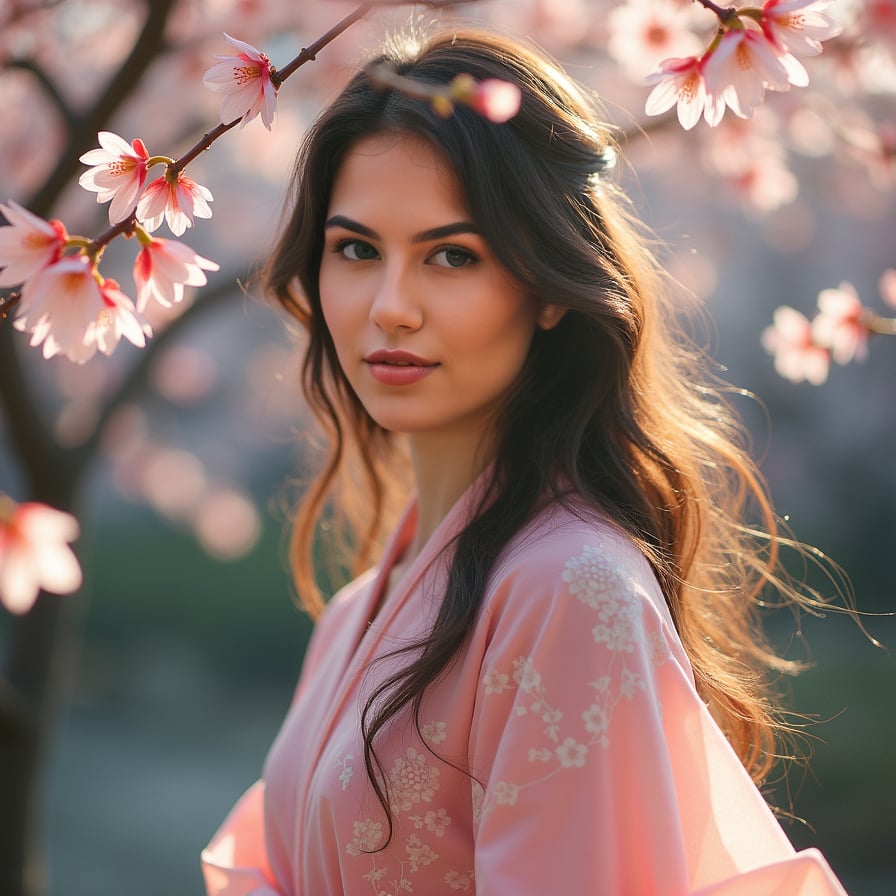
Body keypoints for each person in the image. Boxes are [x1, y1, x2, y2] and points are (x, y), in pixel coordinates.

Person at [201, 26, 848, 896]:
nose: (390, 308)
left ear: (545, 289)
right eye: (356, 249)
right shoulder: (359, 607)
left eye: (452, 256)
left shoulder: (569, 588)